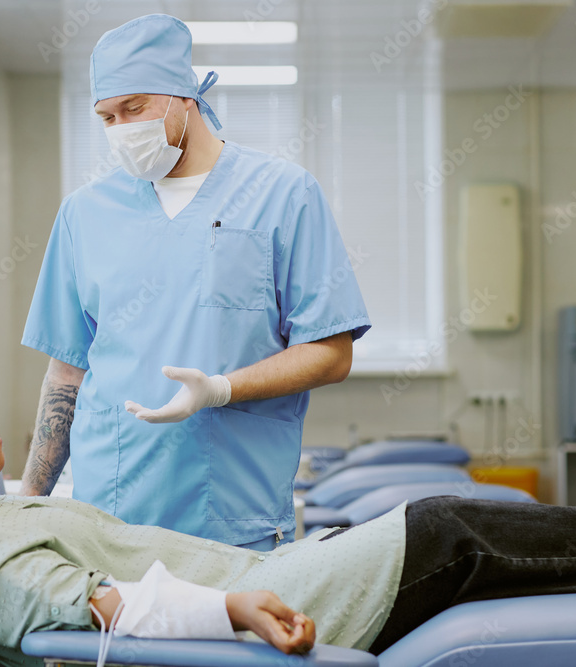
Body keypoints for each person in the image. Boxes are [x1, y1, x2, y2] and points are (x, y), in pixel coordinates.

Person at [0, 352, 576, 667]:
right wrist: (230, 607)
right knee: (454, 528)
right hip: (260, 612)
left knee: (506, 532)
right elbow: (94, 614)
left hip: (276, 579)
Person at [19, 13, 371, 551]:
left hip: (232, 519)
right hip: (107, 520)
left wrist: (220, 390)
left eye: (134, 108)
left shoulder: (283, 194)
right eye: (107, 117)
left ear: (185, 94)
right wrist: (31, 501)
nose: (121, 129)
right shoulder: (85, 213)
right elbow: (67, 371)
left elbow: (331, 352)